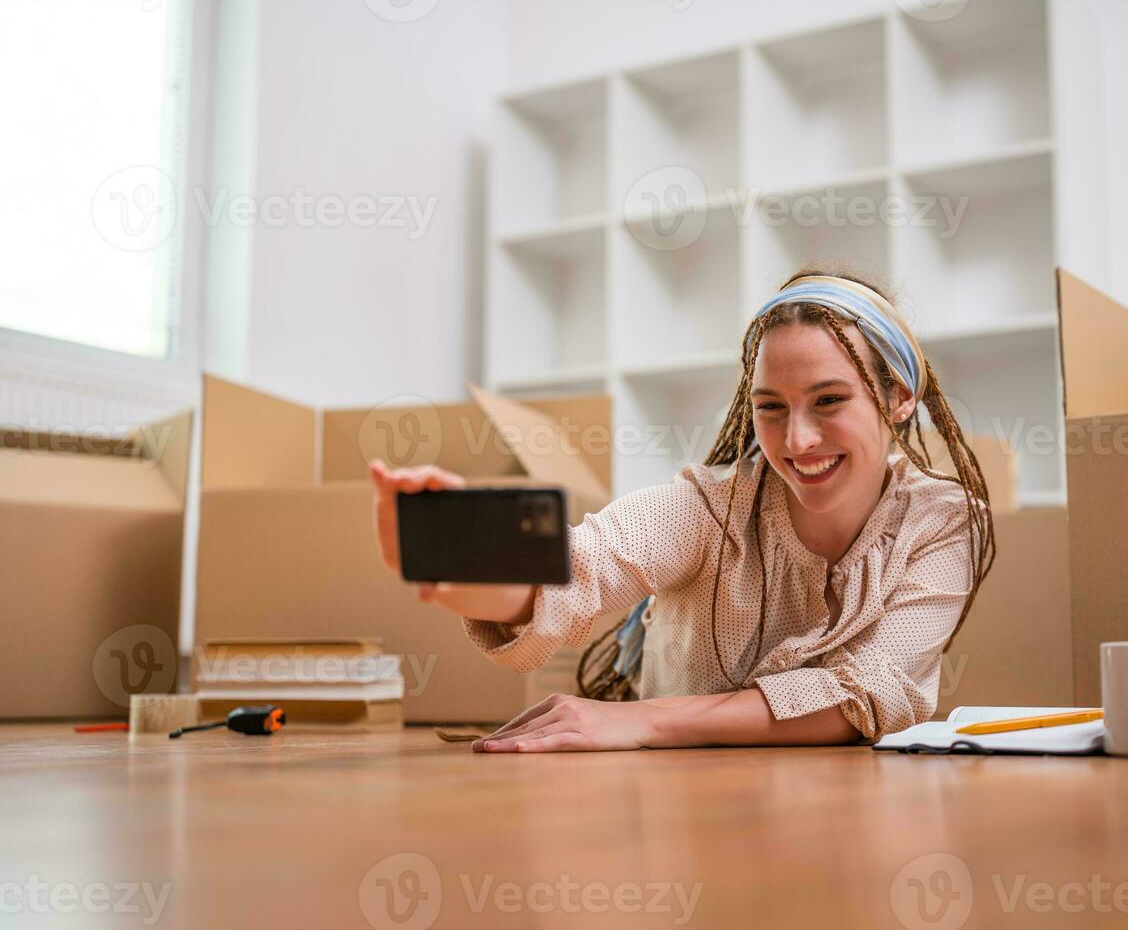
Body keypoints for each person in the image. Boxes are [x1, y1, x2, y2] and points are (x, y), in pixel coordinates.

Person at [369, 267, 995, 752]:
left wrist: (643, 720)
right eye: (770, 407)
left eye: (828, 400)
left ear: (898, 399)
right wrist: (470, 564)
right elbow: (580, 567)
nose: (797, 440)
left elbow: (870, 692)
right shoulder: (708, 508)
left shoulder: (943, 521)